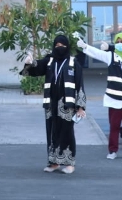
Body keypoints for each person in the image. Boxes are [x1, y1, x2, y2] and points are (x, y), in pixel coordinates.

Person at [21, 34, 86, 174]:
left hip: (67, 105)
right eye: (57, 45)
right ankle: (54, 162)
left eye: (62, 45)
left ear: (67, 46)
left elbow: (79, 84)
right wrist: (29, 62)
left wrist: (80, 107)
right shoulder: (50, 61)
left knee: (67, 132)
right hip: (51, 104)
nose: (59, 48)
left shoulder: (73, 62)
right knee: (51, 133)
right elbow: (36, 68)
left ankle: (69, 163)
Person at [77, 32, 122, 160]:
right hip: (114, 98)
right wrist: (85, 46)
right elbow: (97, 53)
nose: (119, 44)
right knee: (114, 126)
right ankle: (112, 150)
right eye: (117, 42)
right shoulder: (111, 56)